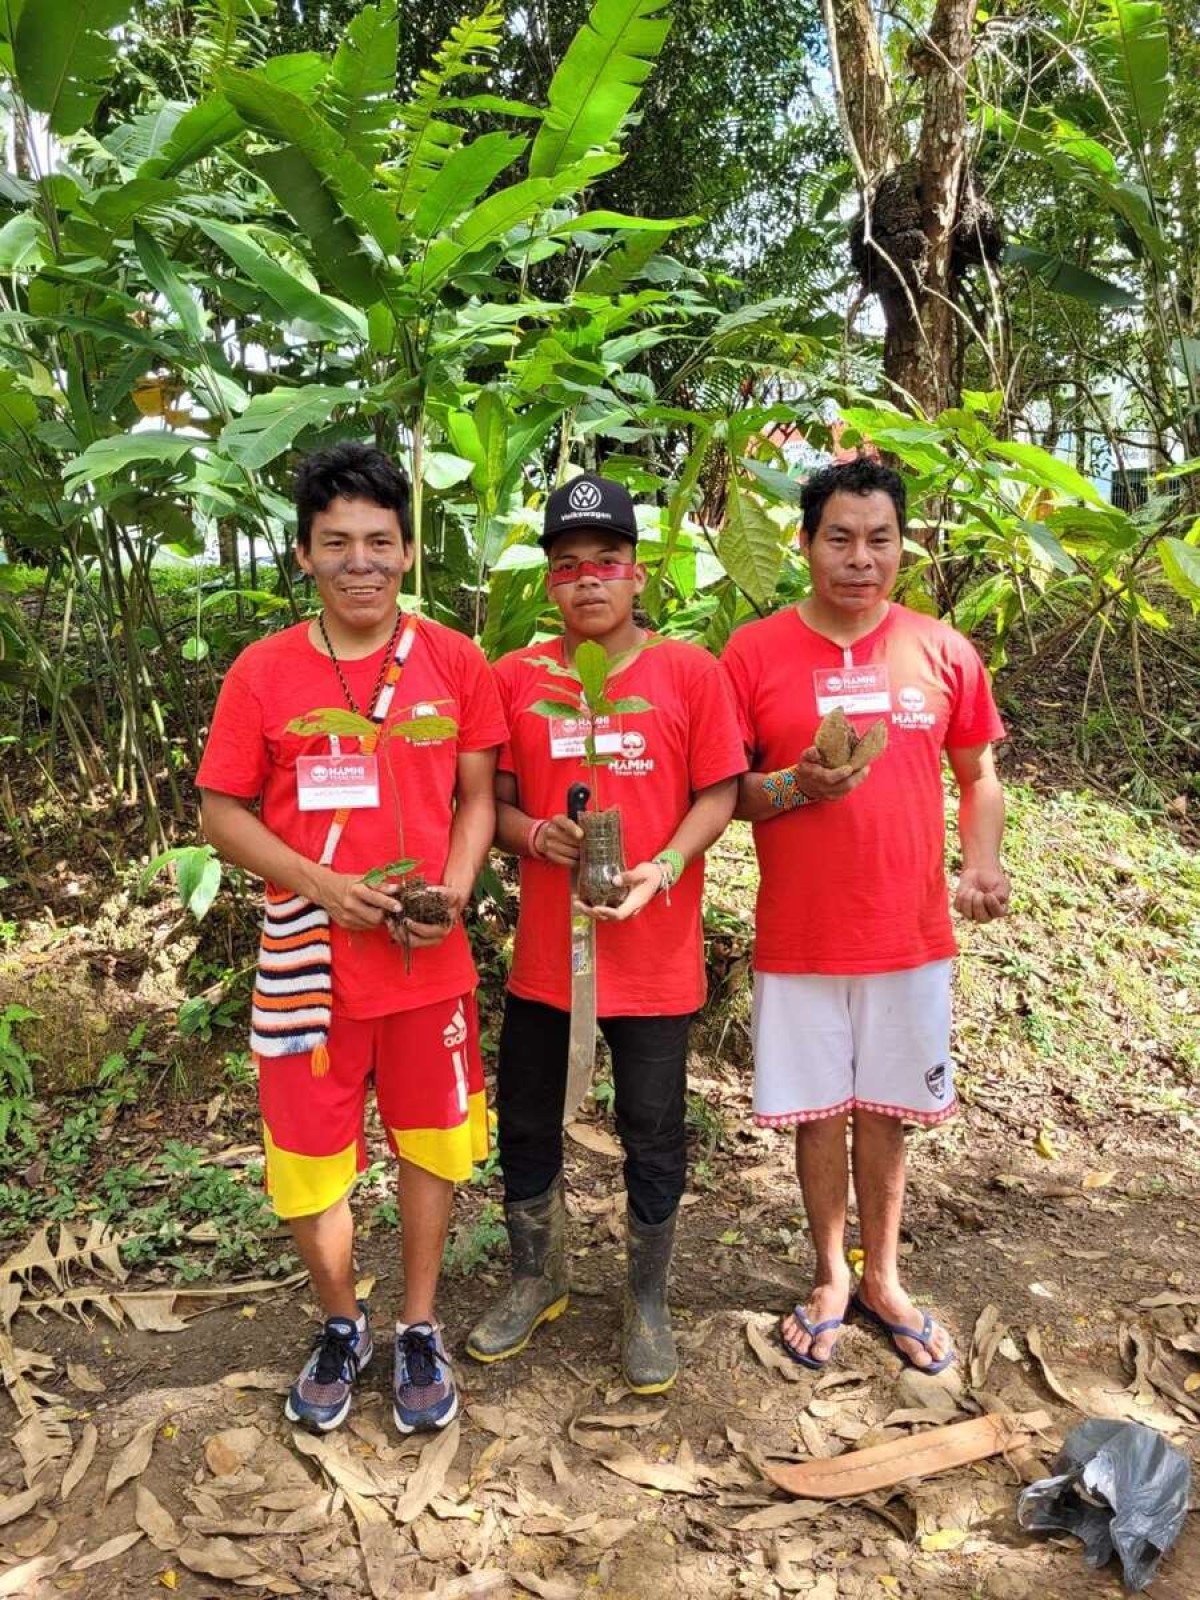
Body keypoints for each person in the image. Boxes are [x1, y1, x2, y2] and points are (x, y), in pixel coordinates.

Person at [197, 441, 506, 1434]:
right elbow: (221, 812)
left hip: (426, 967)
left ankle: (417, 1323)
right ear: (304, 556)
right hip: (307, 961)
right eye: (337, 543)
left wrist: (453, 889)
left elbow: (477, 798)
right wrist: (324, 884)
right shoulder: (263, 671)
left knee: (431, 1146)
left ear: (409, 553)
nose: (360, 561)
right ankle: (341, 1321)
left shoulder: (454, 661)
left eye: (380, 541)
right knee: (308, 1157)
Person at [721, 457, 1010, 1374]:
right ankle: (827, 1276)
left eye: (877, 539)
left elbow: (979, 776)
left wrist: (986, 862)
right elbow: (732, 795)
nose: (859, 558)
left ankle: (883, 1276)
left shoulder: (943, 651)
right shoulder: (753, 653)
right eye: (839, 538)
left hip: (909, 931)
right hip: (801, 936)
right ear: (805, 544)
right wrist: (792, 784)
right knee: (818, 1113)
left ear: (900, 548)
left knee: (885, 1112)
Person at [466, 471, 745, 1393]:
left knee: (653, 1128)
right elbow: (491, 804)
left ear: (637, 575)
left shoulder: (688, 673)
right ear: (550, 582)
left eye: (608, 563)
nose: (590, 580)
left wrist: (662, 866)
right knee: (528, 1121)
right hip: (549, 959)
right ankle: (537, 1276)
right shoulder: (519, 678)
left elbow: (719, 791)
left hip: (654, 959)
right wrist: (536, 834)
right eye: (570, 566)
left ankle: (648, 1297)